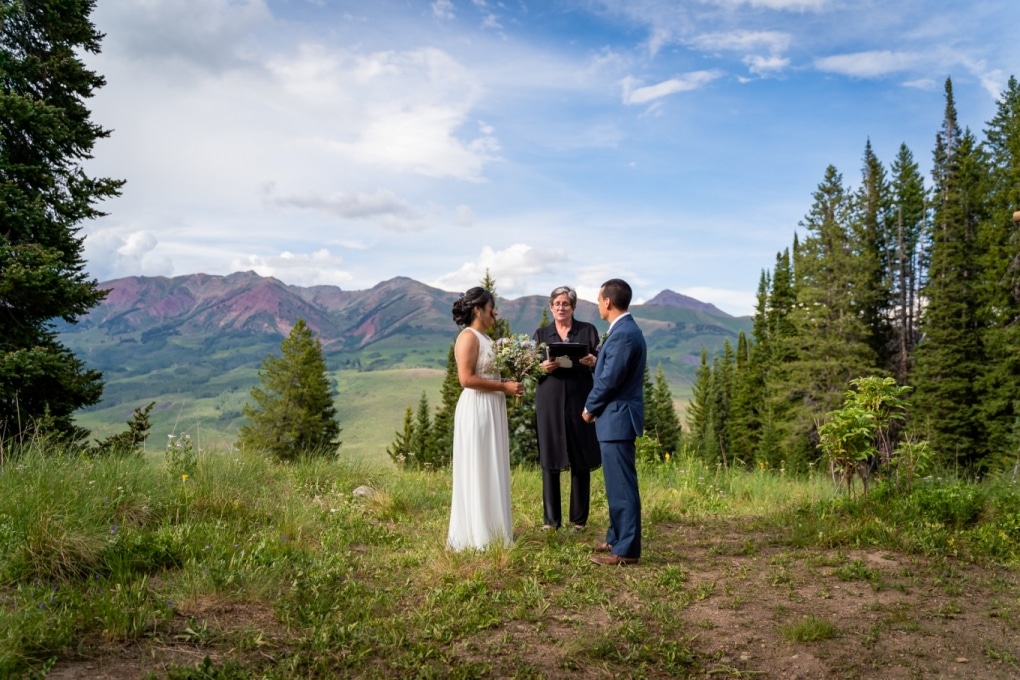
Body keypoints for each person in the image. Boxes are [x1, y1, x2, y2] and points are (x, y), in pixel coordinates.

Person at [447, 287, 525, 551]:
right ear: (478, 309)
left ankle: (494, 530)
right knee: (480, 465)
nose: (496, 312)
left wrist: (506, 383)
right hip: (478, 409)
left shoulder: (486, 337)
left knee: (492, 464)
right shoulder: (469, 337)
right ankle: (478, 536)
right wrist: (503, 387)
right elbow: (466, 379)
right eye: (493, 307)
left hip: (491, 406)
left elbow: (487, 375)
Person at [583, 279, 646, 566]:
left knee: (622, 486)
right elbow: (611, 368)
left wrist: (590, 407)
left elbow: (611, 379)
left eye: (599, 299)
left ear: (608, 301)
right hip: (616, 418)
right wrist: (597, 361)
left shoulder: (623, 334)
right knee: (615, 483)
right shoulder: (623, 331)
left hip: (617, 417)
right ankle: (615, 538)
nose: (598, 304)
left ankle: (627, 550)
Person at [533, 285, 601, 531]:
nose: (561, 307)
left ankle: (579, 521)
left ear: (573, 307)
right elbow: (532, 368)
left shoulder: (588, 331)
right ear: (551, 307)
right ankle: (551, 521)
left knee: (580, 455)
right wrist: (541, 368)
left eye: (566, 303)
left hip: (580, 397)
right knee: (550, 455)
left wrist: (594, 361)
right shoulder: (541, 335)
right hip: (549, 399)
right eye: (557, 303)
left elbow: (601, 362)